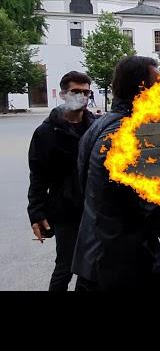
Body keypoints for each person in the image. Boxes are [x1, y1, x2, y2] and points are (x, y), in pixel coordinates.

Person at [72, 56, 160, 291]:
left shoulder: (98, 127)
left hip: (98, 260)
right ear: (141, 90)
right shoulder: (124, 138)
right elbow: (154, 209)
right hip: (123, 266)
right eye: (158, 83)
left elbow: (85, 186)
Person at [27, 71, 95, 291]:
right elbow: (38, 175)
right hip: (65, 211)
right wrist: (36, 212)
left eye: (86, 92)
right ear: (64, 94)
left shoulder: (96, 127)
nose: (82, 96)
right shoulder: (46, 132)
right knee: (65, 266)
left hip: (94, 210)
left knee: (94, 267)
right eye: (76, 91)